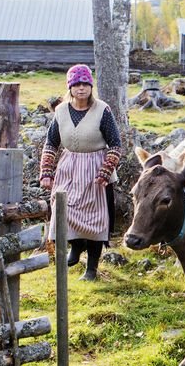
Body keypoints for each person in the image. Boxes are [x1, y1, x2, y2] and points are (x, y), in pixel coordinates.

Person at [39, 64, 123, 281]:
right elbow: (51, 143)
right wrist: (46, 171)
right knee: (62, 207)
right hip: (68, 168)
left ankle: (91, 270)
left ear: (91, 86)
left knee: (95, 218)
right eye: (76, 84)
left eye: (85, 83)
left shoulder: (102, 110)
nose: (81, 88)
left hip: (96, 169)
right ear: (70, 87)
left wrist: (106, 171)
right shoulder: (61, 111)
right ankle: (75, 247)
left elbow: (115, 144)